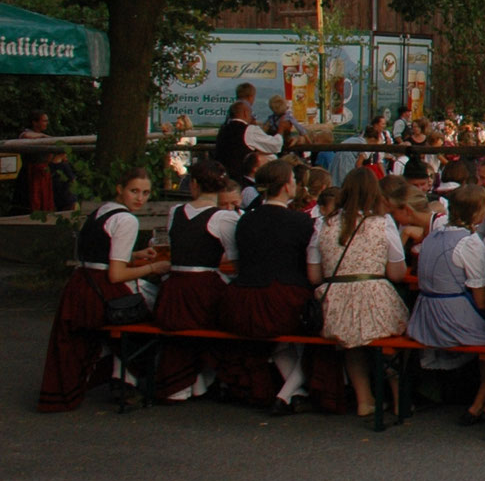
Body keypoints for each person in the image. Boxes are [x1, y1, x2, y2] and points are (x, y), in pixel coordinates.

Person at [37, 167, 166, 411]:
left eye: (145, 193)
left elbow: (102, 254)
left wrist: (135, 254)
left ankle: (121, 377)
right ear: (120, 189)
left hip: (79, 286)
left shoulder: (102, 211)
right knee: (156, 312)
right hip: (102, 291)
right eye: (134, 191)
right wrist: (153, 268)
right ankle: (127, 380)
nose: (140, 198)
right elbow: (116, 274)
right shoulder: (127, 219)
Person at [216, 159, 322, 415]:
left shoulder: (244, 221)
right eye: (294, 181)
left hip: (242, 300)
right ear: (287, 186)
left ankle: (294, 394)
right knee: (313, 332)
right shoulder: (301, 222)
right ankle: (287, 394)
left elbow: (239, 261)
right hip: (280, 299)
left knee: (282, 343)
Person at [315, 167, 412, 421]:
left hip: (334, 302)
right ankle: (398, 397)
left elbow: (315, 276)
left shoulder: (324, 224)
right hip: (373, 297)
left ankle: (364, 399)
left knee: (351, 344)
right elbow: (397, 273)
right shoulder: (381, 223)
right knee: (394, 334)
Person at [407, 183, 485, 423]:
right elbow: (481, 300)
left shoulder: (431, 237)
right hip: (450, 318)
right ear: (479, 213)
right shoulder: (470, 243)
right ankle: (479, 405)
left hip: (423, 315)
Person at [154, 158, 243, 400]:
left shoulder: (175, 212)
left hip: (174, 286)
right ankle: (206, 377)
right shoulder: (225, 218)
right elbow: (236, 262)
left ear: (193, 184)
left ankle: (192, 380)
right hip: (203, 288)